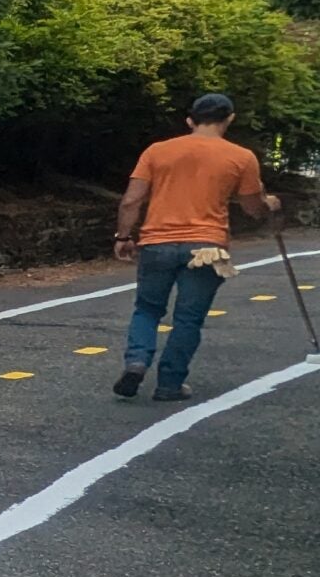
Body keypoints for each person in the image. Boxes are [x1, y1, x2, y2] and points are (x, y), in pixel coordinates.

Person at [112, 92, 283, 400]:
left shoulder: (157, 151)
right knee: (188, 318)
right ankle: (170, 384)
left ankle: (137, 361)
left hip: (156, 242)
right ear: (229, 118)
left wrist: (123, 236)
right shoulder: (241, 157)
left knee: (148, 309)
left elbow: (132, 199)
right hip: (207, 246)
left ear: (190, 120)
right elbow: (252, 208)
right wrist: (268, 204)